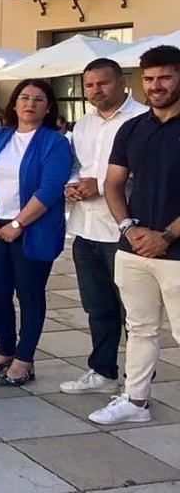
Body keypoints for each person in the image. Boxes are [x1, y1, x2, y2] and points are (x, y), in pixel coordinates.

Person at [88, 45, 180, 425]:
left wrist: (166, 236)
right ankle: (136, 401)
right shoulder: (133, 127)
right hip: (134, 247)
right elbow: (112, 184)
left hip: (175, 252)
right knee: (139, 328)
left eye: (164, 77)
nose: (155, 85)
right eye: (149, 78)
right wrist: (130, 227)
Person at [0, 79, 71, 387]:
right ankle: (4, 350)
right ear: (14, 104)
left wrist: (18, 224)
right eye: (24, 98)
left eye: (39, 99)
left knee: (29, 293)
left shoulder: (54, 143)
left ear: (48, 107)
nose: (30, 103)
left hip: (32, 228)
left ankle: (24, 359)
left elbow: (50, 188)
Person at [58, 59, 147, 395]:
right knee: (97, 307)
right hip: (86, 228)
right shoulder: (83, 124)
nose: (95, 90)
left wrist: (103, 183)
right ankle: (103, 370)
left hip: (125, 231)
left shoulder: (141, 120)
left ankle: (138, 380)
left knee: (134, 313)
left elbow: (148, 172)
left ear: (122, 82)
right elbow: (77, 165)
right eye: (89, 85)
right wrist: (73, 184)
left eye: (102, 83)